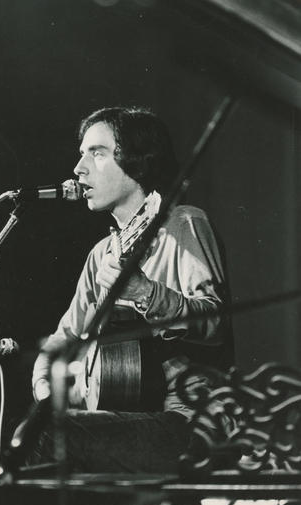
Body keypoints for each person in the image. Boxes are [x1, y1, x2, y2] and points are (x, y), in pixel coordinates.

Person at [29, 106, 232, 474]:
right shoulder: (101, 255)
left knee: (48, 437)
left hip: (190, 424)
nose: (79, 168)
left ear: (136, 163)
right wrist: (46, 391)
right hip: (130, 417)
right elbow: (62, 340)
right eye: (82, 153)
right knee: (36, 433)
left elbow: (216, 322)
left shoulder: (183, 224)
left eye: (97, 153)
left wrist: (144, 291)